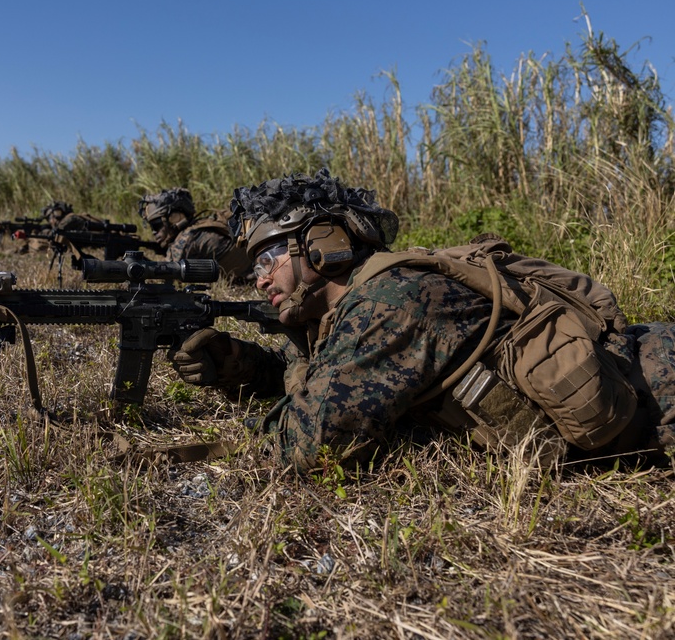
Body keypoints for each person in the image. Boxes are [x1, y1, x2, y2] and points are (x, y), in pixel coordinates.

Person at [169, 168, 675, 473]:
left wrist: (265, 418)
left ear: (323, 244)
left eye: (267, 258)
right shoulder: (365, 302)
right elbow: (323, 368)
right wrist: (240, 365)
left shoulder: (387, 305)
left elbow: (308, 446)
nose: (258, 279)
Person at [138, 188, 252, 282]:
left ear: (174, 218)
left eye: (156, 225)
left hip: (255, 276)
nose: (154, 232)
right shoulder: (201, 225)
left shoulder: (187, 238)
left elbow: (164, 276)